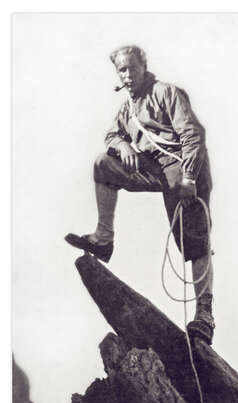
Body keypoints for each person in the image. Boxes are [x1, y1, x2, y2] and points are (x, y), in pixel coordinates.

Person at [65, 45, 215, 344]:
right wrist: (122, 146)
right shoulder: (128, 108)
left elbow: (192, 135)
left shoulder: (166, 92)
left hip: (185, 168)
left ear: (143, 67)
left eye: (132, 68)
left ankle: (205, 316)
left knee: (194, 241)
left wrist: (188, 177)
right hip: (154, 168)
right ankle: (103, 238)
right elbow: (111, 135)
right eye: (122, 69)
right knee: (102, 164)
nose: (128, 75)